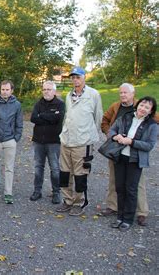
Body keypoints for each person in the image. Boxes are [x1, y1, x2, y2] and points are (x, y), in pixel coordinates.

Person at [100, 84, 159, 226]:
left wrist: (131, 142)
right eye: (120, 93)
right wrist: (114, 136)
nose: (143, 108)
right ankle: (118, 214)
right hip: (119, 155)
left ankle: (133, 217)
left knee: (133, 188)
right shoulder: (123, 114)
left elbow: (150, 145)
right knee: (119, 186)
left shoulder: (150, 122)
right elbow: (109, 125)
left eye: (146, 107)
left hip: (135, 159)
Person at [56, 67, 102, 216]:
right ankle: (67, 200)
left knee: (80, 174)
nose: (75, 80)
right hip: (67, 141)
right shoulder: (69, 95)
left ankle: (79, 202)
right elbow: (67, 117)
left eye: (78, 77)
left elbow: (97, 117)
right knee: (64, 173)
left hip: (82, 142)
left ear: (84, 77)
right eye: (73, 77)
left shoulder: (93, 94)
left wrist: (89, 135)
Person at [29, 81, 65, 204]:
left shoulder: (60, 104)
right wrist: (48, 116)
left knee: (54, 168)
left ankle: (56, 192)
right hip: (38, 141)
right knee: (38, 167)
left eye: (49, 89)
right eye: (44, 89)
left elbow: (57, 119)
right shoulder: (38, 103)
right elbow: (33, 118)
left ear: (54, 91)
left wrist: (42, 116)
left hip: (53, 141)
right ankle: (37, 191)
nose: (46, 91)